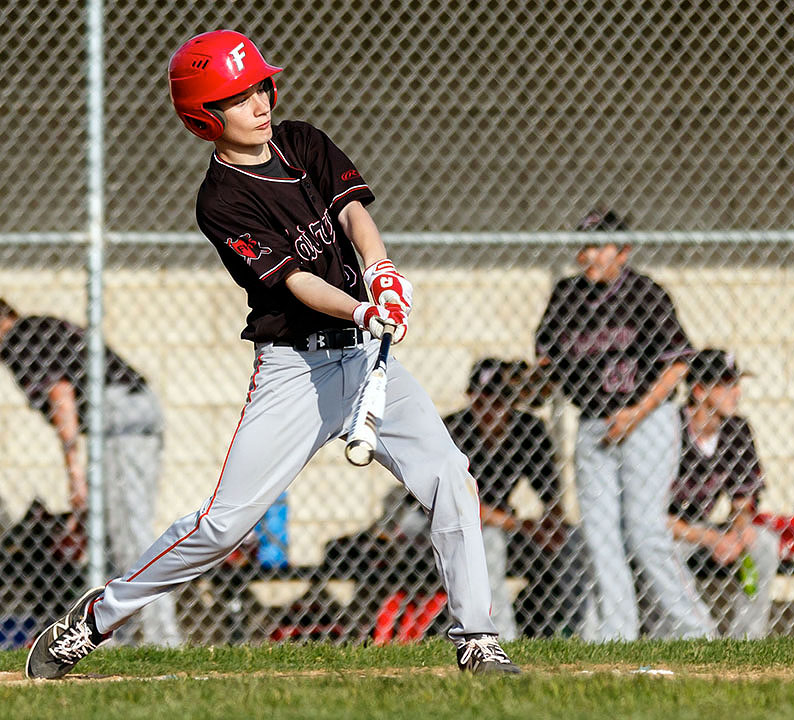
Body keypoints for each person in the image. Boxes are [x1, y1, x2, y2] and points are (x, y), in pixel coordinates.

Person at [25, 29, 518, 679]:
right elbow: (297, 284)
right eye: (236, 95)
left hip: (367, 361)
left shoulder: (302, 141)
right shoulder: (222, 200)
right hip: (296, 369)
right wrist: (362, 307)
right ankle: (95, 619)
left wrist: (382, 271)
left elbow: (353, 216)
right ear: (205, 116)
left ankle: (478, 638)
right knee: (224, 526)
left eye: (260, 85)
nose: (258, 101)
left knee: (450, 475)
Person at [534, 208, 715, 641]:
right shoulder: (566, 297)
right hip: (594, 425)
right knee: (598, 535)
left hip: (647, 421)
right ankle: (617, 634)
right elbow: (546, 363)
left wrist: (636, 412)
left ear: (624, 251)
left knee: (643, 528)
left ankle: (696, 631)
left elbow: (676, 366)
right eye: (585, 246)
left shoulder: (646, 294)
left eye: (600, 246)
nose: (589, 255)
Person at [0, 299, 181, 648]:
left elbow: (61, 396)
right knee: (113, 535)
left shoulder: (20, 339)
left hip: (119, 417)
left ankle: (164, 639)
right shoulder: (38, 326)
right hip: (127, 412)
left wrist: (76, 479)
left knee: (129, 533)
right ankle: (117, 636)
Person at [443, 358, 583, 640]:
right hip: (434, 521)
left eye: (499, 402)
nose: (490, 411)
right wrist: (516, 524)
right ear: (471, 398)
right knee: (490, 541)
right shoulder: (454, 429)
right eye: (482, 401)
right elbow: (452, 503)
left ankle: (579, 632)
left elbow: (550, 493)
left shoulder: (526, 429)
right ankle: (502, 638)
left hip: (500, 521)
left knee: (574, 541)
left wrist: (551, 524)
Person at [668, 349, 779, 638]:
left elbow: (743, 501)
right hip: (667, 530)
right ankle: (687, 637)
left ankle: (746, 643)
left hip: (704, 529)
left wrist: (740, 529)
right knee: (668, 551)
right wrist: (712, 538)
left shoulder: (737, 430)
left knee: (763, 543)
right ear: (700, 390)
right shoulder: (671, 429)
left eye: (736, 383)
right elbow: (651, 514)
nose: (737, 392)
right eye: (726, 384)